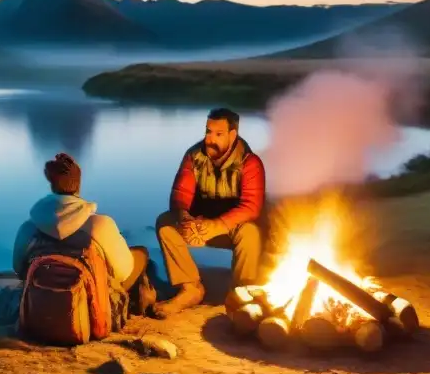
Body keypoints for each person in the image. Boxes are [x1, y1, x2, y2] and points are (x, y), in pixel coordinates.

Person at [152, 107, 266, 318]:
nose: (209, 139)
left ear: (233, 135)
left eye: (218, 134)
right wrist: (184, 218)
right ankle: (190, 289)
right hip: (198, 225)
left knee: (251, 233)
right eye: (208, 131)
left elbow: (251, 207)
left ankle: (241, 295)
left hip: (231, 228)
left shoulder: (250, 163)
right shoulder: (193, 156)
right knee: (165, 223)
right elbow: (180, 194)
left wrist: (216, 226)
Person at [13, 152, 150, 300]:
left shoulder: (29, 228)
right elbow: (123, 272)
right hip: (89, 306)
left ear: (52, 186)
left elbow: (19, 269)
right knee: (140, 255)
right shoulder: (100, 225)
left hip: (40, 303)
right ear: (78, 185)